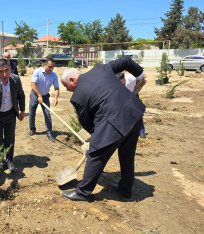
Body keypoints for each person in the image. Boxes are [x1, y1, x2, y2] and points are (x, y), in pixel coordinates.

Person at [60, 56, 146, 202]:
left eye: (66, 86)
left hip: (115, 121)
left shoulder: (77, 97)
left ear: (73, 80)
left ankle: (82, 192)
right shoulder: (101, 69)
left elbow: (88, 123)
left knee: (96, 155)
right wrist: (140, 76)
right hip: (134, 114)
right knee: (127, 156)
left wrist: (95, 141)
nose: (67, 89)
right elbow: (125, 61)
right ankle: (125, 190)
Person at [28, 57, 59, 143]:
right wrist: (38, 95)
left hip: (45, 96)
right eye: (49, 66)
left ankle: (49, 133)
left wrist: (56, 98)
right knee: (32, 113)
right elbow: (33, 85)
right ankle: (32, 129)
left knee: (47, 113)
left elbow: (56, 88)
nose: (51, 69)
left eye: (53, 67)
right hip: (35, 94)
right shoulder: (37, 72)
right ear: (45, 65)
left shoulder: (54, 75)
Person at [116, 72, 147, 138]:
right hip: (124, 95)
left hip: (134, 93)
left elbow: (142, 77)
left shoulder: (131, 78)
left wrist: (139, 84)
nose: (121, 84)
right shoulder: (115, 83)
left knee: (137, 113)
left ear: (124, 79)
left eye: (122, 83)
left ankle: (141, 131)